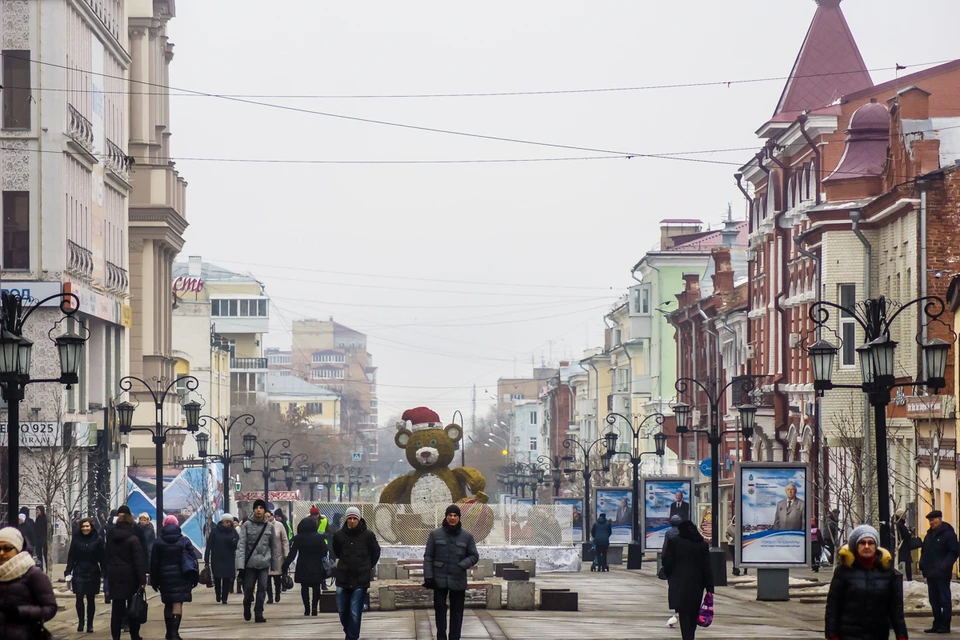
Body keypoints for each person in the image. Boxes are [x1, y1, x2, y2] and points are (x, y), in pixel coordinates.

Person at [824, 524, 908, 640]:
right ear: (856, 546)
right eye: (862, 543)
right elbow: (833, 607)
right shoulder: (844, 571)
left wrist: (901, 635)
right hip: (849, 634)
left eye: (870, 542)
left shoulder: (887, 572)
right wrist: (832, 635)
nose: (867, 546)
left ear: (876, 546)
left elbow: (896, 609)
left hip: (878, 634)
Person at [424, 504, 479, 640]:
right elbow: (428, 557)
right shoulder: (435, 534)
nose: (452, 518)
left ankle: (455, 637)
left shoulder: (467, 536)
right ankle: (441, 636)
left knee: (457, 612)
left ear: (459, 518)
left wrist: (462, 565)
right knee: (440, 610)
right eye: (450, 515)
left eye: (455, 516)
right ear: (446, 516)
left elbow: (474, 556)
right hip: (439, 580)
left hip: (458, 580)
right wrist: (429, 577)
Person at [0, 527, 58, 640]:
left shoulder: (33, 574)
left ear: (18, 549)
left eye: (7, 548)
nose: (1, 553)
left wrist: (19, 611)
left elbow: (50, 608)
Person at [332, 506, 381, 640]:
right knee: (342, 609)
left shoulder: (368, 535)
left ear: (358, 519)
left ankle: (352, 637)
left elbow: (376, 551)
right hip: (343, 576)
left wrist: (368, 566)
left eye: (354, 518)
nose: (352, 521)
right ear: (346, 519)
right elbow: (336, 551)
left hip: (360, 577)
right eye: (350, 518)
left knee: (355, 610)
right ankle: (349, 631)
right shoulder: (339, 535)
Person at [662, 520, 714, 640]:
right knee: (693, 611)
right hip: (697, 585)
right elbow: (707, 566)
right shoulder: (701, 544)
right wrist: (709, 586)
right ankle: (690, 635)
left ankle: (687, 636)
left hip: (679, 583)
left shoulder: (675, 542)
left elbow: (667, 560)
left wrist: (669, 573)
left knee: (683, 613)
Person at [151, 514, 201, 640]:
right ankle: (174, 633)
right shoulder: (184, 541)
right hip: (182, 576)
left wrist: (154, 581)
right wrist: (194, 578)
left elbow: (154, 563)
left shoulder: (158, 542)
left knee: (168, 603)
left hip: (164, 577)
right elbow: (193, 560)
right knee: (177, 602)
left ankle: (168, 632)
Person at [105, 511, 146, 640]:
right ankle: (134, 634)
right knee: (133, 607)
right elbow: (138, 561)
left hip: (114, 576)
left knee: (117, 608)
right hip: (130, 577)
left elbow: (106, 556)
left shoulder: (111, 539)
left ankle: (116, 636)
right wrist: (142, 580)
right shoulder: (133, 540)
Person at [236, 499, 276, 623]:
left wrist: (275, 565)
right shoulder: (246, 525)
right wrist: (240, 565)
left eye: (261, 508)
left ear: (265, 511)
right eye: (256, 507)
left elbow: (273, 546)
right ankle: (247, 605)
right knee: (248, 588)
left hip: (264, 563)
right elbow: (241, 545)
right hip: (250, 564)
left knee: (262, 588)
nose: (258, 510)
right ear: (253, 510)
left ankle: (259, 612)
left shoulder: (269, 526)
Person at [920, 509, 959, 634]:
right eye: (930, 521)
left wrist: (944, 566)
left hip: (942, 574)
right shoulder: (929, 535)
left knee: (944, 600)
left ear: (939, 519)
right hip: (931, 574)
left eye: (933, 520)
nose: (931, 523)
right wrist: (922, 565)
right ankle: (936, 624)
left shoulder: (948, 534)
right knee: (934, 601)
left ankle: (945, 625)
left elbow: (953, 552)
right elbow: (925, 551)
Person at [282, 517, 329, 616]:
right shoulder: (319, 537)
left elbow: (292, 554)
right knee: (316, 587)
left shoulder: (298, 538)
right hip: (316, 565)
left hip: (303, 565)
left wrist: (285, 565)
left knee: (304, 587)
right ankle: (315, 607)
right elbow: (324, 551)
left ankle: (307, 609)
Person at [66, 517, 105, 634]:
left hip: (93, 570)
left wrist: (104, 571)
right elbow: (71, 556)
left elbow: (102, 557)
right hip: (79, 570)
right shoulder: (76, 539)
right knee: (79, 597)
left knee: (91, 598)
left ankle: (90, 624)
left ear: (91, 527)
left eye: (87, 526)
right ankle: (81, 622)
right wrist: (68, 570)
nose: (85, 528)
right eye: (83, 526)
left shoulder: (98, 539)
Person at [205, 513, 240, 605]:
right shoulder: (215, 531)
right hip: (217, 557)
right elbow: (209, 545)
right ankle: (218, 594)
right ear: (223, 521)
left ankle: (224, 597)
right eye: (227, 522)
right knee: (217, 577)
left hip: (228, 558)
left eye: (230, 522)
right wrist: (206, 557)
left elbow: (237, 543)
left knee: (227, 578)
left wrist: (234, 542)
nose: (228, 524)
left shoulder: (233, 531)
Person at [265, 510, 290, 604]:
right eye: (265, 517)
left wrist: (286, 553)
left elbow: (284, 540)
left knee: (277, 577)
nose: (267, 519)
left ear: (272, 516)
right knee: (266, 578)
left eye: (268, 516)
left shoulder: (279, 525)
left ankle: (277, 593)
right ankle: (270, 597)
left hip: (278, 555)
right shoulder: (262, 525)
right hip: (265, 556)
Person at [894, 509, 914, 582]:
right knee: (906, 562)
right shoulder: (899, 524)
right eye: (904, 515)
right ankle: (908, 579)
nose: (905, 517)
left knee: (900, 561)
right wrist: (909, 534)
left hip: (901, 546)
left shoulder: (896, 524)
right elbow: (905, 535)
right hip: (902, 547)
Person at [34, 506, 48, 571]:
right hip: (38, 539)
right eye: (36, 510)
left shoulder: (45, 519)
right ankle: (40, 568)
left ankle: (48, 568)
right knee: (39, 554)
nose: (37, 511)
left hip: (44, 539)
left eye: (38, 510)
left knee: (46, 554)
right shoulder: (37, 519)